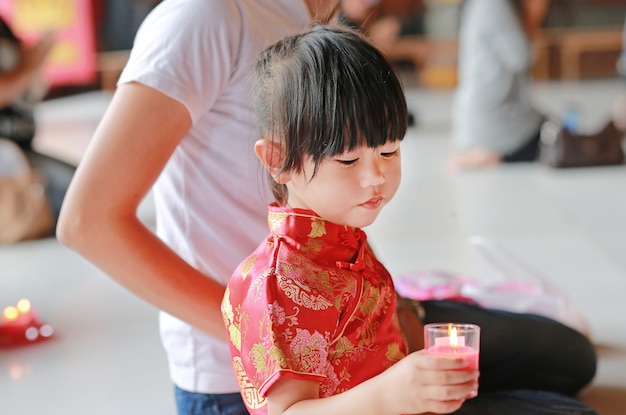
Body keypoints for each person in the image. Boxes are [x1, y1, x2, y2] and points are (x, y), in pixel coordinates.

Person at [222, 24, 598, 415]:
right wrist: (390, 393)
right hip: (393, 402)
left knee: (563, 388)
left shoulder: (340, 232)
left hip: (406, 390)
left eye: (389, 151)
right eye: (348, 160)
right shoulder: (276, 283)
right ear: (278, 160)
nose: (376, 178)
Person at [56, 1, 340, 414]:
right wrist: (262, 340)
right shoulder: (207, 16)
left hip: (331, 358)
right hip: (241, 383)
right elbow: (88, 222)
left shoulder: (312, 17)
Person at [449, 0, 547, 170]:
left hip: (477, 115)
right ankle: (495, 155)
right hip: (496, 119)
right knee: (555, 138)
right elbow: (520, 57)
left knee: (548, 126)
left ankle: (485, 153)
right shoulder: (494, 4)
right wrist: (534, 14)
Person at [0, 16, 70, 243]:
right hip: (7, 157)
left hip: (21, 148)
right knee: (81, 204)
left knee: (89, 191)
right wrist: (34, 60)